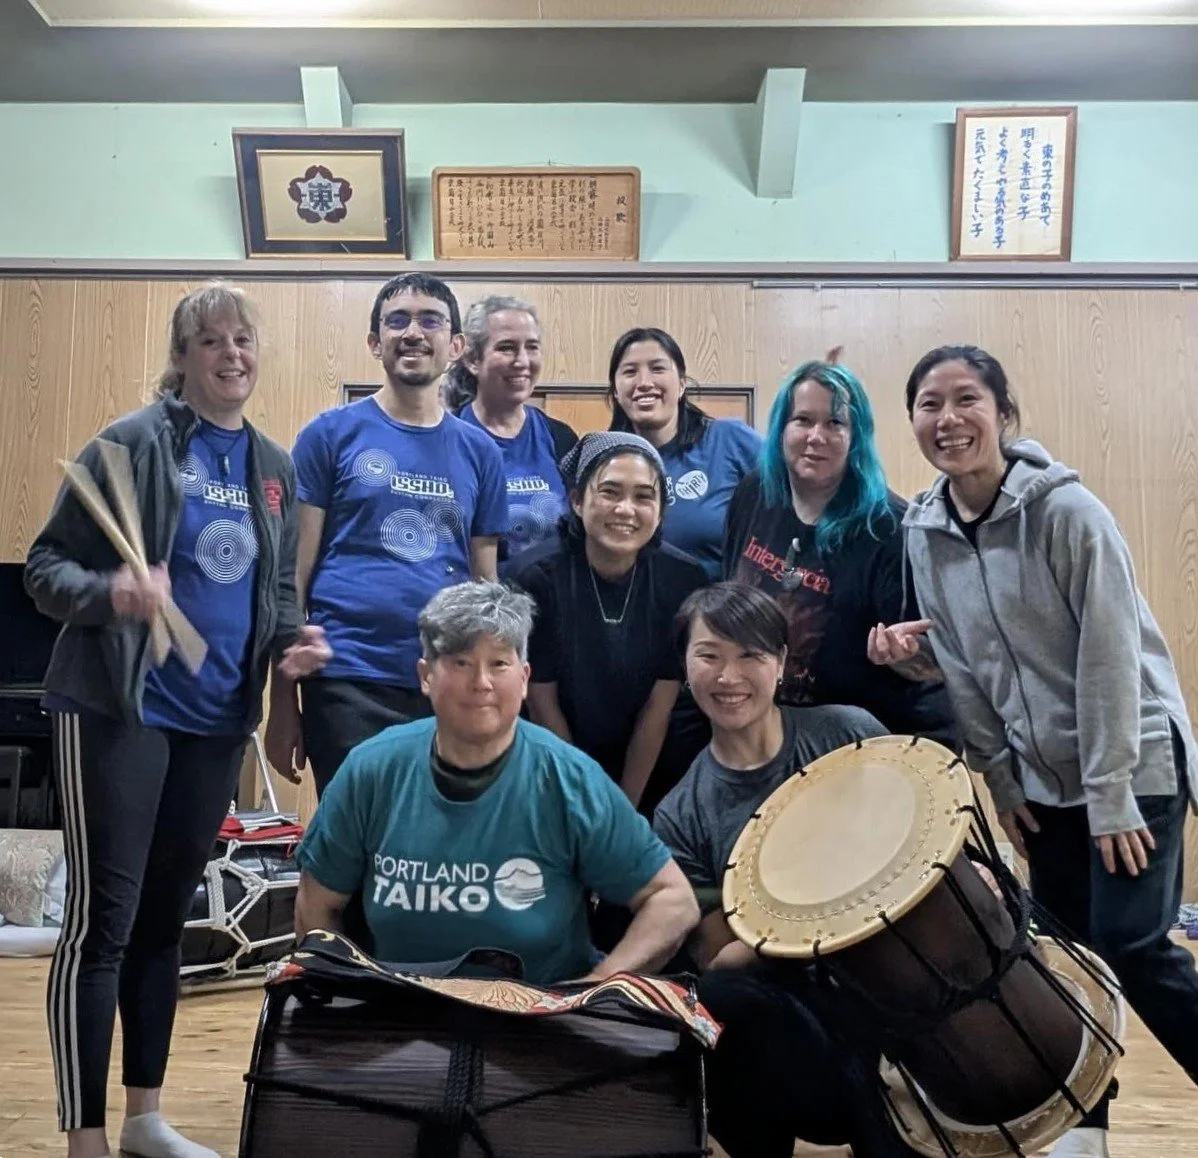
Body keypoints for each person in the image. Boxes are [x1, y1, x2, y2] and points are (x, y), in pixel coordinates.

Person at [870, 343, 1198, 1158]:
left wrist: (1112, 790)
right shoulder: (925, 528)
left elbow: (1113, 657)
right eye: (928, 405)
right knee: (1061, 959)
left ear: (1005, 414)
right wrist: (1003, 783)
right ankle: (1084, 1130)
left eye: (967, 399)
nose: (948, 420)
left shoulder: (1068, 513)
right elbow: (964, 669)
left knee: (1129, 945)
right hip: (1044, 785)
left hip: (1135, 765)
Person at [24, 284, 329, 1158]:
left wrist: (289, 649)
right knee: (102, 926)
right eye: (212, 341)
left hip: (214, 720)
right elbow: (45, 569)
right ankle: (83, 1137)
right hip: (122, 708)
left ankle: (144, 1120)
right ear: (184, 354)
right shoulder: (130, 443)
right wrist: (111, 593)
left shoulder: (273, 465)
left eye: (244, 340)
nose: (233, 354)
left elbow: (274, 592)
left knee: (166, 923)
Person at [293, 580, 699, 986]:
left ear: (524, 679)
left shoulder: (569, 778)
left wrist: (594, 990)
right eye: (460, 662)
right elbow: (316, 906)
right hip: (404, 1016)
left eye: (499, 664)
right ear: (425, 676)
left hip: (540, 1018)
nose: (481, 682)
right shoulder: (371, 770)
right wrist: (346, 999)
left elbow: (674, 902)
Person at [653, 581, 918, 1158]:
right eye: (710, 656)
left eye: (751, 655)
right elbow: (721, 960)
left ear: (781, 665)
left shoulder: (849, 733)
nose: (730, 677)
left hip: (908, 989)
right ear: (685, 664)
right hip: (804, 1020)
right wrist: (809, 913)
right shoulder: (681, 814)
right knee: (720, 999)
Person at [265, 274, 509, 797]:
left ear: (457, 346)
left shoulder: (481, 452)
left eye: (430, 321)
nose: (413, 332)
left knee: (438, 846)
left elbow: (486, 582)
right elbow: (292, 577)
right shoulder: (328, 435)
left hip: (449, 678)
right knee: (359, 848)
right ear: (375, 343)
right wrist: (282, 702)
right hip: (346, 675)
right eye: (397, 321)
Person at [723, 355, 956, 747]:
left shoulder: (890, 528)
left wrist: (903, 657)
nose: (817, 436)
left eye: (835, 423)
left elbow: (937, 663)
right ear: (782, 427)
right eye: (803, 420)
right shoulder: (755, 492)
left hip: (876, 737)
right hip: (775, 727)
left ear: (857, 437)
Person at [508, 432, 708, 814]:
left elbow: (659, 703)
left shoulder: (683, 578)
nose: (626, 509)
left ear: (662, 509)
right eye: (610, 492)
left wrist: (623, 812)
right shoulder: (535, 578)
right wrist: (585, 801)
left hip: (651, 765)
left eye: (643, 496)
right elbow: (541, 699)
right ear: (578, 501)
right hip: (554, 757)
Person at [607, 326, 760, 580]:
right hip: (636, 613)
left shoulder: (729, 439)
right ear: (615, 390)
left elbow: (794, 485)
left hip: (714, 613)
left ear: (681, 384)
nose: (644, 383)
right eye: (630, 372)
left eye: (657, 368)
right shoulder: (606, 460)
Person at [443, 294, 578, 563]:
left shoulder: (560, 438)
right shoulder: (446, 439)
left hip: (549, 599)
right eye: (507, 348)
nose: (523, 361)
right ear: (472, 360)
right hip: (473, 600)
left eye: (532, 347)